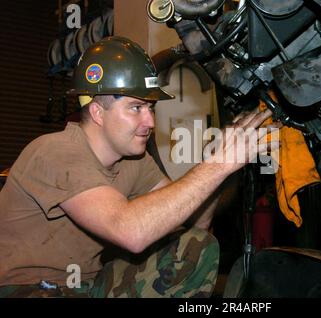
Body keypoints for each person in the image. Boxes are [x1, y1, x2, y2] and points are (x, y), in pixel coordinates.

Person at [0, 36, 276, 298]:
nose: (150, 122)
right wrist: (217, 165)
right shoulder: (56, 151)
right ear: (97, 112)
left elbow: (195, 224)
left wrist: (219, 169)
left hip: (89, 286)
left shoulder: (134, 160)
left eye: (151, 108)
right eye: (136, 108)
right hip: (24, 287)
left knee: (195, 245)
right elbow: (130, 231)